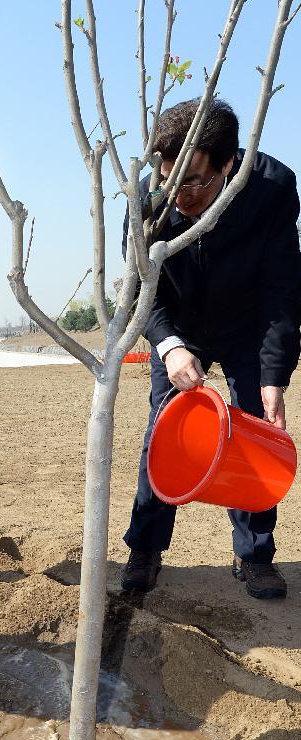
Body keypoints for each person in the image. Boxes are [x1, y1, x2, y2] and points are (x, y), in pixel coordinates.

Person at [121, 98, 301, 600]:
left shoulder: (271, 190)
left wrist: (273, 375)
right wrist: (170, 346)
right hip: (178, 323)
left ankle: (255, 555)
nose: (182, 195)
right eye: (171, 179)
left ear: (229, 165)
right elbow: (138, 288)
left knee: (256, 431)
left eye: (198, 181)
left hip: (246, 324)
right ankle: (146, 548)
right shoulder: (150, 199)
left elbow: (281, 290)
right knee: (165, 429)